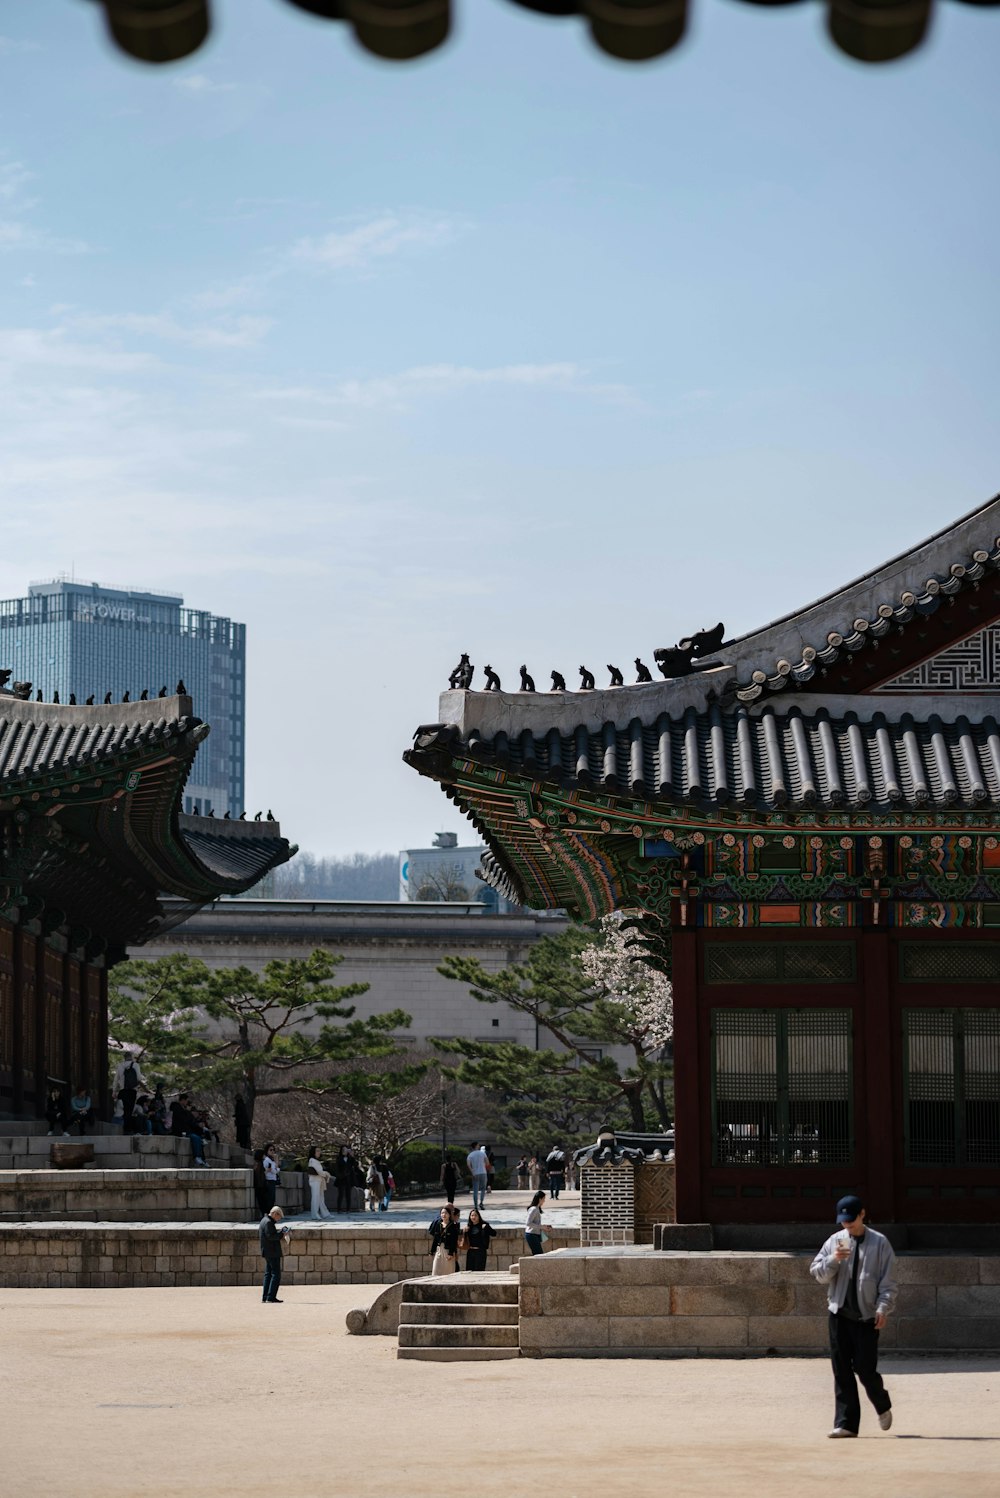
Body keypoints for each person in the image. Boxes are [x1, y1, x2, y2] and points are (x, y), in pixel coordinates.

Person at [810, 1194, 897, 1439]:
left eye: (851, 1219)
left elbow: (888, 1284)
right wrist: (833, 1260)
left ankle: (882, 1404)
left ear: (862, 1214)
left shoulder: (880, 1244)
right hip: (839, 1314)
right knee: (841, 1370)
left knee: (865, 1370)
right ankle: (846, 1424)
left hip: (866, 1318)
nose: (846, 1224)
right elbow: (817, 1274)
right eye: (843, 1220)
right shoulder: (834, 1241)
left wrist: (882, 1309)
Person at [258, 1205, 289, 1303]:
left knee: (268, 1274)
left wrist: (279, 1232)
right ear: (275, 1214)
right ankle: (271, 1296)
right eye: (279, 1217)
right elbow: (271, 1237)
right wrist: (282, 1234)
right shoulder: (268, 1223)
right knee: (276, 1275)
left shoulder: (265, 1220)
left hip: (267, 1252)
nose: (279, 1219)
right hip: (272, 1252)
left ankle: (265, 1296)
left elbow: (270, 1234)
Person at [112, 1052, 145, 1134]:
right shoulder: (135, 1065)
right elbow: (138, 1078)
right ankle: (128, 1129)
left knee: (125, 1110)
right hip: (132, 1091)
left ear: (124, 1057)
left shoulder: (120, 1065)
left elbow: (116, 1079)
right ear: (131, 1057)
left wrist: (114, 1091)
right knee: (130, 1110)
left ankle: (126, 1129)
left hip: (123, 1091)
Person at [171, 1094, 208, 1165]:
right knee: (196, 1138)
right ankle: (197, 1157)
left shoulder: (185, 1111)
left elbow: (192, 1122)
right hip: (181, 1131)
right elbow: (185, 1121)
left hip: (187, 1130)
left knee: (200, 1139)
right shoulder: (177, 1109)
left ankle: (202, 1159)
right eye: (186, 1101)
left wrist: (199, 1125)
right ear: (182, 1100)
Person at [428, 1204, 460, 1275]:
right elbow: (435, 1239)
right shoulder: (438, 1224)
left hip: (448, 1250)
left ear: (449, 1215)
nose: (444, 1215)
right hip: (439, 1249)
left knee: (448, 1271)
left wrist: (451, 1253)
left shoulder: (453, 1226)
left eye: (445, 1213)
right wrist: (432, 1251)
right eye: (442, 1213)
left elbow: (453, 1241)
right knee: (436, 1269)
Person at [465, 1207, 496, 1271]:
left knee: (479, 1270)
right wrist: (464, 1231)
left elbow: (494, 1233)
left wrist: (487, 1228)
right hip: (471, 1251)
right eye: (472, 1215)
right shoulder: (469, 1227)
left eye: (475, 1215)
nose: (473, 1217)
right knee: (469, 1270)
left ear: (479, 1216)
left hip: (480, 1252)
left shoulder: (484, 1225)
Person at [307, 1145, 332, 1219]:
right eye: (317, 1151)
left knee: (321, 1198)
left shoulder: (316, 1161)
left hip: (319, 1180)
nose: (319, 1152)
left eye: (319, 1151)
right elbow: (319, 1171)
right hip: (315, 1181)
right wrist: (326, 1173)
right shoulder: (312, 1160)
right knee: (316, 1197)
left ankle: (325, 1213)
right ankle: (315, 1214)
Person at [467, 1141, 490, 1212]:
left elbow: (468, 1164)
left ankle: (475, 1205)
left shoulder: (470, 1155)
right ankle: (481, 1203)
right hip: (483, 1172)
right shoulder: (482, 1153)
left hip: (475, 1173)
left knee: (475, 1190)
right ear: (476, 1146)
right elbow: (487, 1163)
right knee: (483, 1188)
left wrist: (472, 1171)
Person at [525, 1191, 549, 1255]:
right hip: (531, 1234)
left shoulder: (537, 1209)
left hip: (535, 1234)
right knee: (538, 1254)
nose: (544, 1201)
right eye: (543, 1199)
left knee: (538, 1254)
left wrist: (543, 1227)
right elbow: (528, 1223)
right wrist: (541, 1227)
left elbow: (535, 1223)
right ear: (540, 1199)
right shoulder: (534, 1209)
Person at [334, 1147, 353, 1213]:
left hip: (348, 1178)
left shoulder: (350, 1158)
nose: (345, 1151)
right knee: (341, 1194)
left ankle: (348, 1209)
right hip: (341, 1178)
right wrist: (340, 1175)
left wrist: (351, 1155)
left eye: (346, 1150)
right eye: (344, 1150)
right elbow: (336, 1169)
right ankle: (339, 1209)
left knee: (348, 1194)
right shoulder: (339, 1158)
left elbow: (355, 1165)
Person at [252, 1149, 270, 1218]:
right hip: (260, 1187)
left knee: (263, 1202)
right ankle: (265, 1215)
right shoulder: (258, 1164)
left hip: (260, 1186)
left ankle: (265, 1214)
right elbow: (259, 1176)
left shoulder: (258, 1163)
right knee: (263, 1202)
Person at [262, 1143, 280, 1207]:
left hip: (273, 1180)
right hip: (269, 1180)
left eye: (273, 1150)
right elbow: (275, 1171)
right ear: (267, 1151)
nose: (272, 1151)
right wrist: (275, 1169)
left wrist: (276, 1161)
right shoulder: (266, 1161)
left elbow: (276, 1170)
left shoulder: (272, 1161)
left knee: (272, 1199)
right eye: (270, 1150)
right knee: (270, 1198)